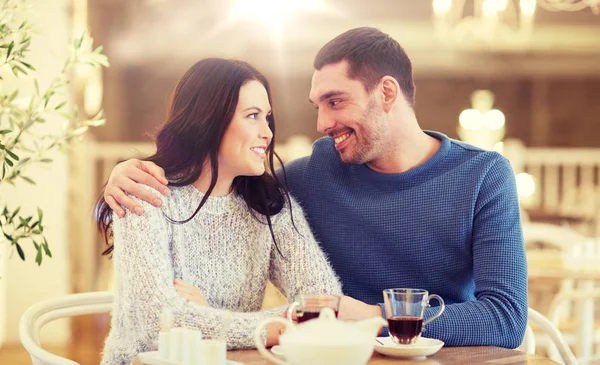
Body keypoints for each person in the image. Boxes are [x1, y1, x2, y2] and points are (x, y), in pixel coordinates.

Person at [102, 28, 528, 348]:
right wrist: (122, 175)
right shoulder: (295, 183)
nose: (322, 125)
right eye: (318, 106)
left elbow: (507, 319)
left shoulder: (485, 176)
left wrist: (374, 316)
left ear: (386, 92)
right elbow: (157, 311)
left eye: (336, 101)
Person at [96, 58, 342, 365]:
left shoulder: (272, 206)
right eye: (252, 116)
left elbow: (324, 304)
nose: (267, 132)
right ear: (208, 119)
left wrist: (204, 315)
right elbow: (154, 327)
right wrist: (276, 326)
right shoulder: (145, 193)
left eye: (267, 118)